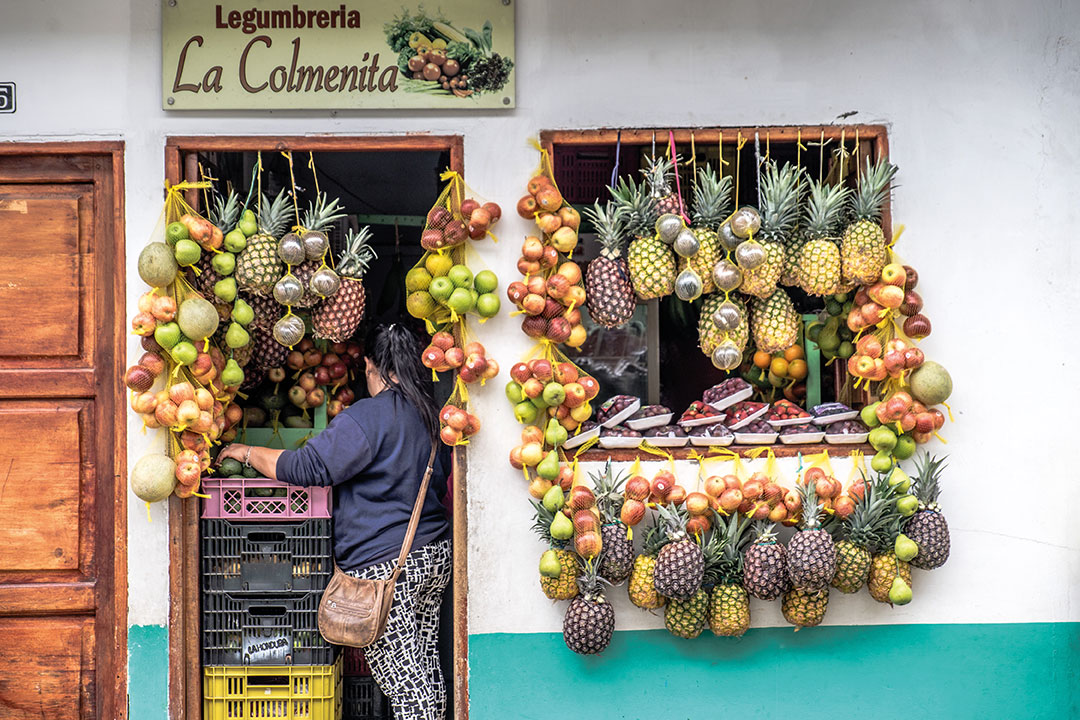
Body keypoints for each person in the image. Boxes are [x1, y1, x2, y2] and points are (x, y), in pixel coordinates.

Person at [218, 323, 453, 720]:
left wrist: (245, 452)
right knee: (424, 667)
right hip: (431, 555)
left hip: (387, 567)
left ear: (368, 365)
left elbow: (307, 467)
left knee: (403, 680)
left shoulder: (369, 416)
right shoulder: (430, 414)